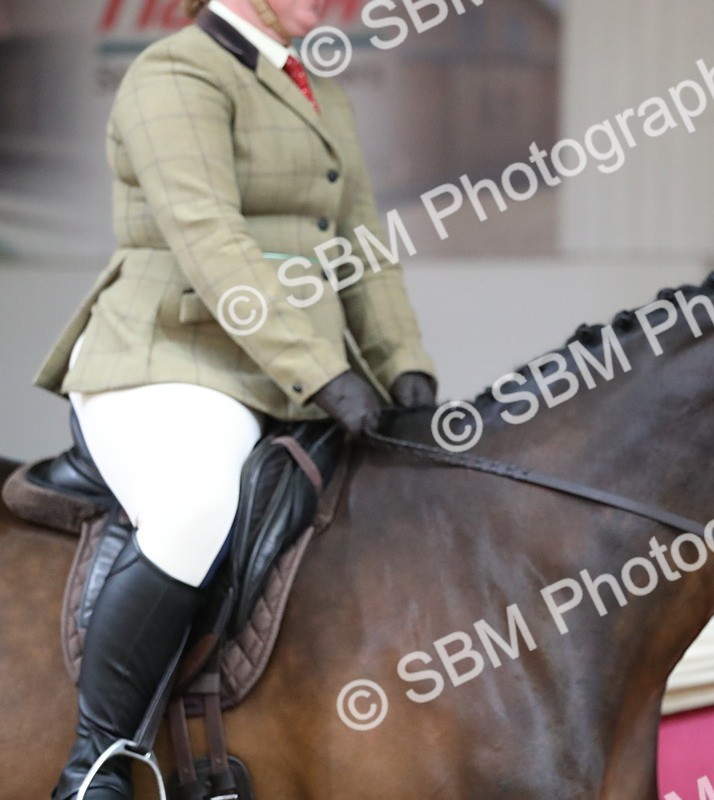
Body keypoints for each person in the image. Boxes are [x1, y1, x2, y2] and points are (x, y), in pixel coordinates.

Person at [33, 1, 437, 796]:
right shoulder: (175, 72)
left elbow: (363, 249)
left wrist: (405, 370)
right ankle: (98, 764)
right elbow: (209, 240)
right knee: (196, 508)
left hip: (290, 375)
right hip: (173, 357)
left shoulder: (319, 87)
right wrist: (322, 372)